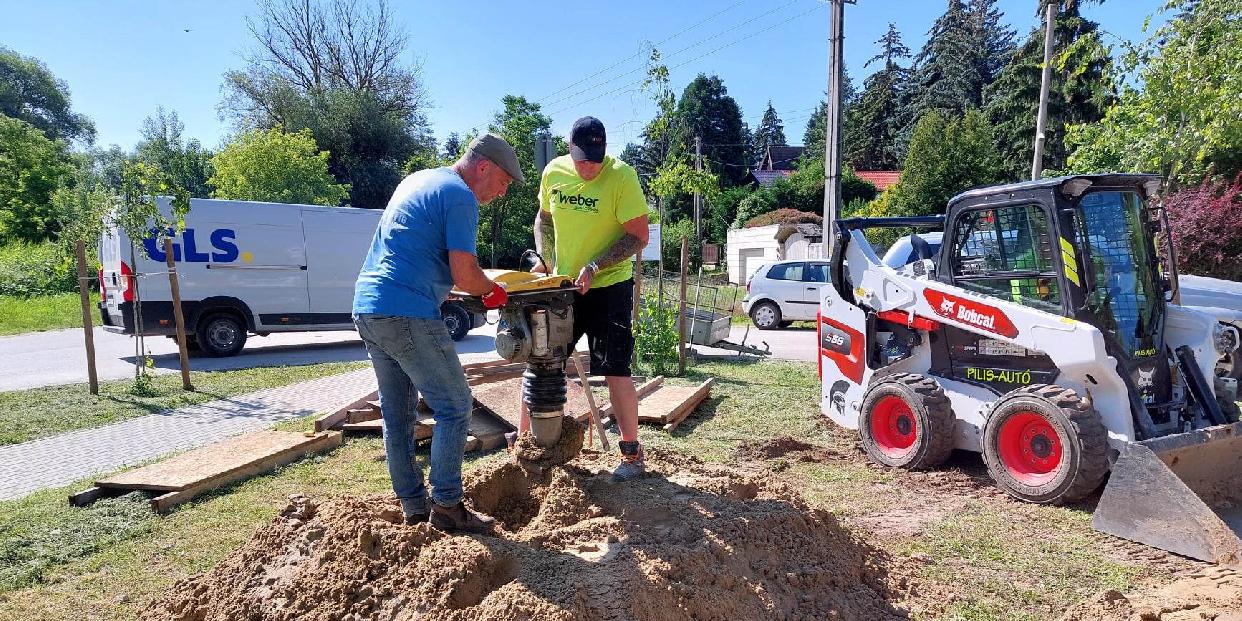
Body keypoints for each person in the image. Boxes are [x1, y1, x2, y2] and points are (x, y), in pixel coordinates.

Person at [353, 133, 522, 533]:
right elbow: (465, 273)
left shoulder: (418, 180)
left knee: (398, 414)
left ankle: (414, 506)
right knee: (455, 405)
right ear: (483, 167)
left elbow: (430, 261)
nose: (500, 194)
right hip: (406, 310)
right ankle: (446, 506)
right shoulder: (461, 196)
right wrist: (495, 291)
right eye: (502, 184)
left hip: (369, 306)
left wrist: (471, 288)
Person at [528, 116, 650, 481]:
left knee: (614, 367)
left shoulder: (623, 177)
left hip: (609, 286)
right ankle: (526, 445)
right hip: (564, 287)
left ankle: (631, 453)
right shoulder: (553, 172)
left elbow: (638, 236)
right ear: (570, 149)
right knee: (542, 362)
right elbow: (544, 219)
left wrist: (596, 265)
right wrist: (546, 259)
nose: (589, 167)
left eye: (596, 159)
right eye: (583, 160)